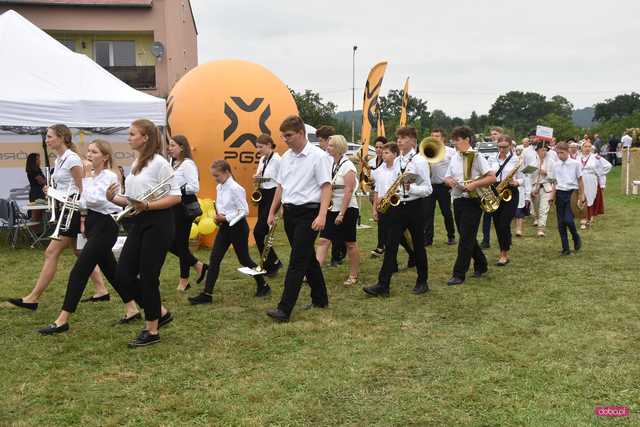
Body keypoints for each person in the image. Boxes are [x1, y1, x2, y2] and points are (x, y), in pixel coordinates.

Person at [37, 140, 140, 334]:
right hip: (92, 225)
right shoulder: (89, 177)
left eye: (94, 152)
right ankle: (132, 308)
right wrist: (54, 193)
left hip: (105, 226)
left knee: (79, 271)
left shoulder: (109, 176)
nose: (89, 155)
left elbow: (99, 200)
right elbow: (81, 202)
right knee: (112, 272)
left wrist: (84, 182)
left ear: (105, 157)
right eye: (89, 151)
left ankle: (62, 320)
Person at [7, 125, 106, 310]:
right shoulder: (61, 159)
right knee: (80, 253)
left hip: (71, 212)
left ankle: (33, 298)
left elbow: (81, 190)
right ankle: (102, 290)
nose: (47, 140)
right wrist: (52, 191)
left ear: (61, 138)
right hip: (65, 211)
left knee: (51, 252)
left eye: (50, 136)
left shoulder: (72, 159)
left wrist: (55, 193)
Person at [106, 119, 179, 348]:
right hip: (139, 221)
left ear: (146, 137)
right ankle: (160, 312)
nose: (128, 137)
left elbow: (175, 197)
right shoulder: (136, 161)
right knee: (123, 274)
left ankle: (152, 330)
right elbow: (132, 201)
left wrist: (148, 206)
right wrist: (113, 199)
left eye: (132, 134)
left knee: (148, 276)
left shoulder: (160, 163)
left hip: (158, 222)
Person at [265, 115, 332, 322]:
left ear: (301, 133)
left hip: (309, 214)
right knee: (306, 258)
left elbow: (326, 186)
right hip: (290, 213)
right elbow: (281, 186)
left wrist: (322, 215)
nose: (285, 139)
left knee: (296, 262)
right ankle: (320, 298)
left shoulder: (318, 156)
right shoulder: (286, 157)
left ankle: (284, 309)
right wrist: (272, 211)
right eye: (283, 136)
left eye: (289, 135)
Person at [189, 160, 271, 305]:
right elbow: (223, 206)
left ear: (227, 172)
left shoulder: (236, 188)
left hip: (238, 228)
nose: (215, 179)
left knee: (244, 260)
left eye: (217, 176)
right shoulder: (220, 187)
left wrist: (225, 217)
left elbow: (244, 210)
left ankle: (263, 285)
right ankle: (207, 294)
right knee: (214, 259)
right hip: (225, 228)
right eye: (213, 176)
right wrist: (218, 217)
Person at [363, 126, 432, 297]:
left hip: (415, 207)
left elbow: (428, 189)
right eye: (398, 137)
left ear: (413, 140)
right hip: (397, 207)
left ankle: (422, 281)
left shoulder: (419, 161)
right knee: (391, 245)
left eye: (404, 137)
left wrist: (410, 189)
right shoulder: (399, 160)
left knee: (418, 245)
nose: (399, 140)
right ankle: (383, 284)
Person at [444, 126, 496, 286]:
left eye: (458, 140)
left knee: (465, 238)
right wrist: (449, 181)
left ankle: (459, 273)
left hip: (473, 201)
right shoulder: (454, 157)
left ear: (467, 140)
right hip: (458, 199)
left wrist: (475, 184)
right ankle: (481, 263)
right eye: (454, 140)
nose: (455, 143)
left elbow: (492, 177)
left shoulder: (477, 156)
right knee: (467, 235)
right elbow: (447, 177)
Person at [316, 135, 360, 285]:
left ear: (339, 148)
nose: (328, 148)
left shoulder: (348, 166)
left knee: (350, 243)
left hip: (347, 209)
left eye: (331, 146)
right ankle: (313, 273)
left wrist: (341, 213)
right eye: (328, 145)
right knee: (323, 240)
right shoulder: (332, 164)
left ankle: (353, 275)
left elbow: (349, 191)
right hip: (332, 207)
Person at [167, 135, 207, 291]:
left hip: (184, 207)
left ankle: (184, 280)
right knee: (172, 243)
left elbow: (194, 187)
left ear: (182, 147)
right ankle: (198, 266)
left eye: (172, 145)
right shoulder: (172, 163)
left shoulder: (188, 164)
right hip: (173, 205)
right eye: (169, 145)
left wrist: (178, 189)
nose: (169, 148)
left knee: (180, 244)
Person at [371, 142, 415, 270]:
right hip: (383, 206)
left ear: (395, 154)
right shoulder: (380, 170)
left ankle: (410, 255)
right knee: (386, 235)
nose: (383, 155)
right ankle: (394, 263)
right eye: (382, 153)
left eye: (386, 153)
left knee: (396, 236)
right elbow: (377, 190)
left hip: (396, 205)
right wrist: (375, 209)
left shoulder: (399, 168)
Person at [252, 134, 283, 276]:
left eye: (261, 147)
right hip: (263, 194)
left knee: (259, 232)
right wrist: (257, 177)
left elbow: (281, 182)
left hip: (273, 195)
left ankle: (272, 263)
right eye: (257, 147)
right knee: (261, 233)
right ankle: (273, 262)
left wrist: (280, 204)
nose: (258, 150)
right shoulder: (263, 159)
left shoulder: (277, 160)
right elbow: (260, 174)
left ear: (269, 145)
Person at [316, 125, 346, 266]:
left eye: (321, 140)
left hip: (339, 199)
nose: (320, 144)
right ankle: (332, 256)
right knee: (328, 234)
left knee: (339, 232)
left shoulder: (336, 159)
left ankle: (337, 255)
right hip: (329, 198)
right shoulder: (325, 157)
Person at [491, 135, 523, 266]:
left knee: (504, 223)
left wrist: (516, 182)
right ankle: (505, 243)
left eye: (505, 147)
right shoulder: (492, 158)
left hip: (510, 191)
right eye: (500, 147)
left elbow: (524, 177)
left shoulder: (517, 160)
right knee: (498, 223)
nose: (502, 149)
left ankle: (504, 254)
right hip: (495, 191)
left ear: (510, 146)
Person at [423, 129, 456, 246]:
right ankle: (428, 239)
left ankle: (451, 236)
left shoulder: (451, 152)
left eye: (437, 136)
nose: (434, 138)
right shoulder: (427, 150)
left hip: (443, 186)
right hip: (430, 186)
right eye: (432, 136)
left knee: (446, 212)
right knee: (428, 213)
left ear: (443, 139)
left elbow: (455, 168)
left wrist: (451, 180)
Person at [550, 141, 585, 255]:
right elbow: (555, 182)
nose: (560, 155)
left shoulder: (576, 164)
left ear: (568, 151)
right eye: (558, 153)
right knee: (561, 223)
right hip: (560, 194)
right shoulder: (555, 165)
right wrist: (552, 195)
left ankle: (575, 236)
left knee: (568, 220)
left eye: (562, 153)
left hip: (572, 193)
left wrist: (581, 195)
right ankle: (565, 248)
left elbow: (580, 180)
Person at [578, 139, 612, 229]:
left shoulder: (595, 157)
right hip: (580, 179)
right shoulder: (578, 157)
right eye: (585, 146)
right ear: (581, 148)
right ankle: (583, 217)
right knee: (581, 197)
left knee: (590, 197)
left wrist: (599, 173)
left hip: (591, 179)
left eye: (589, 146)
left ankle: (590, 217)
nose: (587, 148)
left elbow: (608, 166)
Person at [480, 126, 503, 249]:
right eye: (492, 134)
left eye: (495, 134)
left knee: (502, 215)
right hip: (489, 183)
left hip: (502, 183)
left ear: (500, 135)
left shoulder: (505, 149)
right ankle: (486, 239)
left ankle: (504, 239)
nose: (493, 136)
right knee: (487, 212)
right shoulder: (484, 148)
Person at [529, 141, 555, 237]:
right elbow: (527, 175)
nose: (544, 152)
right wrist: (536, 171)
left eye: (545, 150)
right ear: (537, 151)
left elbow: (554, 178)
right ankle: (536, 218)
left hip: (546, 187)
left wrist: (546, 173)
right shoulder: (533, 162)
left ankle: (541, 229)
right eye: (542, 150)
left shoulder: (551, 162)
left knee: (544, 208)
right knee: (535, 208)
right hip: (534, 187)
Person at [369, 136, 387, 257]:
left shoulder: (388, 161)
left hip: (385, 195)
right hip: (375, 193)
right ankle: (382, 245)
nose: (378, 149)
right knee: (381, 221)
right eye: (376, 147)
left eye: (381, 147)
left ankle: (381, 246)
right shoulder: (371, 161)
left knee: (385, 222)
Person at [25, 153, 46, 222]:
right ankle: (34, 232)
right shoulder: (33, 171)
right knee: (35, 215)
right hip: (37, 193)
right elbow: (42, 182)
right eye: (37, 159)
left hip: (38, 192)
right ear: (33, 161)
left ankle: (39, 231)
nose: (39, 160)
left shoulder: (37, 169)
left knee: (39, 215)